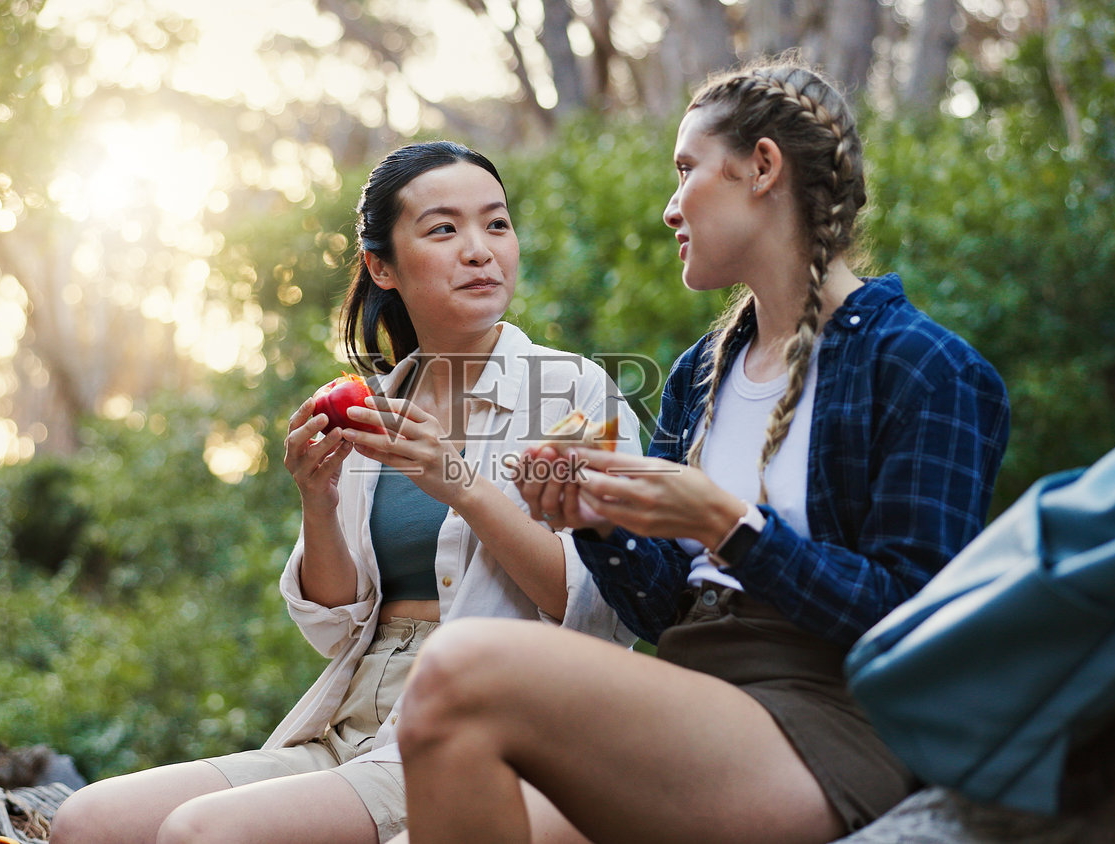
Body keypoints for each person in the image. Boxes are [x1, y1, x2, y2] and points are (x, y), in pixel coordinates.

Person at [389, 58, 1011, 843]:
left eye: (686, 171)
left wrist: (731, 526)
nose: (669, 208)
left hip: (829, 725)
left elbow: (919, 620)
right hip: (694, 697)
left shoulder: (925, 367)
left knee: (457, 666)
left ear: (761, 168)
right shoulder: (702, 371)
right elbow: (658, 608)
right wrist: (595, 518)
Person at [49, 141, 637, 844]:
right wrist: (318, 503)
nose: (480, 250)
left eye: (497, 224)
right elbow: (332, 627)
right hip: (350, 720)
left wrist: (457, 482)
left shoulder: (573, 391)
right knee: (89, 821)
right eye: (444, 229)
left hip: (467, 731)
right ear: (381, 266)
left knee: (203, 835)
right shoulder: (374, 406)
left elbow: (601, 608)